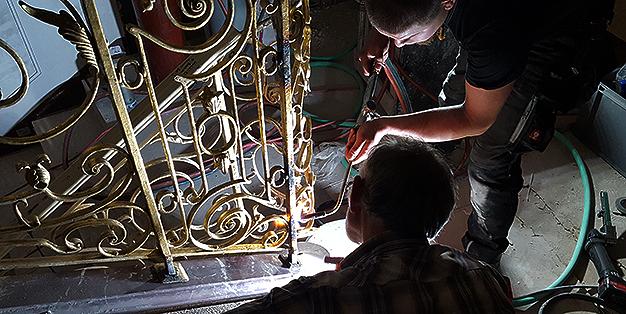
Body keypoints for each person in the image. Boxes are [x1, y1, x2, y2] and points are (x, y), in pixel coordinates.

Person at [347, 0, 605, 265]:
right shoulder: (469, 20)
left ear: (447, 3)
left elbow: (474, 118)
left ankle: (482, 259)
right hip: (498, 23)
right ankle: (430, 171)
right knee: (452, 98)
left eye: (406, 37)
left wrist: (385, 126)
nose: (399, 45)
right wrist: (384, 31)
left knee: (490, 158)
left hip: (552, 38)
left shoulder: (493, 35)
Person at [229, 135, 514, 313]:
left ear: (355, 196)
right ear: (438, 220)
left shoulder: (318, 298)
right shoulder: (485, 278)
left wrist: (349, 278)